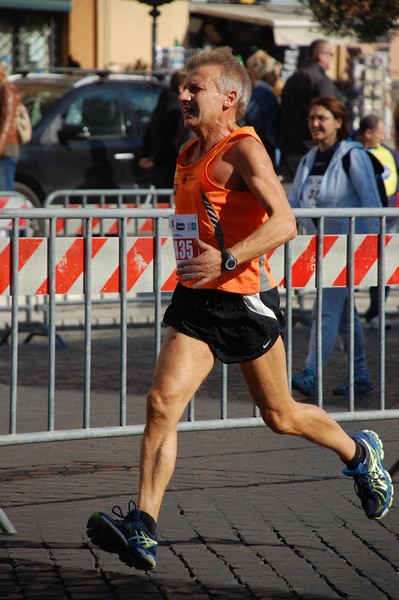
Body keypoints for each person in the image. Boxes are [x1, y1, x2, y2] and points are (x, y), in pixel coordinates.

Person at [86, 50, 393, 572]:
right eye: (184, 87)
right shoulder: (187, 154)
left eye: (194, 88)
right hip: (197, 301)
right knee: (162, 403)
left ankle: (360, 455)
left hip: (245, 302)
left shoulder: (244, 148)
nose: (183, 95)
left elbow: (285, 223)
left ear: (229, 98)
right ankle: (144, 528)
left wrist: (226, 257)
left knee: (281, 416)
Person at [289, 96, 383, 398]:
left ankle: (311, 372)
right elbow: (294, 203)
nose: (316, 124)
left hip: (346, 249)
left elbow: (371, 200)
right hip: (320, 249)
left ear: (339, 123)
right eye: (312, 118)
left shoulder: (352, 155)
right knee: (343, 314)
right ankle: (360, 374)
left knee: (325, 310)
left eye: (323, 118)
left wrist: (372, 245)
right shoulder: (308, 159)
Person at [354, 113, 399, 330]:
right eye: (382, 131)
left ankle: (375, 311)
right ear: (369, 133)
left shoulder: (389, 153)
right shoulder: (354, 153)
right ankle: (350, 315)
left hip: (389, 218)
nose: (386, 135)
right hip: (359, 222)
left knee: (384, 267)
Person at [279, 39, 338, 180]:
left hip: (290, 148)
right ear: (321, 56)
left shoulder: (292, 79)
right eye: (331, 54)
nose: (331, 59)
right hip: (315, 148)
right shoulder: (322, 81)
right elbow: (330, 113)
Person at [139, 69, 191, 189]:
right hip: (167, 164)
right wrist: (155, 159)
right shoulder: (177, 110)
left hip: (156, 163)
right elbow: (168, 137)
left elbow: (149, 130)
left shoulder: (162, 104)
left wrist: (146, 155)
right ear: (180, 88)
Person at [245, 50, 281, 168]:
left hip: (244, 147)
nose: (278, 77)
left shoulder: (247, 94)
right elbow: (272, 133)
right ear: (267, 74)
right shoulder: (269, 97)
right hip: (263, 151)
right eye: (275, 73)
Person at [0, 63, 21, 190]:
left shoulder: (7, 89)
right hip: (3, 148)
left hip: (6, 149)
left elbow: (7, 121)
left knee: (4, 192)